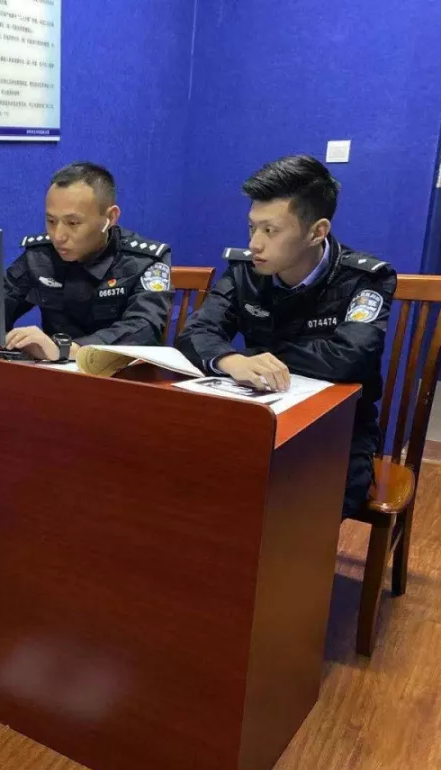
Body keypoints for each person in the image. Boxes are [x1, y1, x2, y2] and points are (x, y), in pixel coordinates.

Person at [177, 155, 397, 518]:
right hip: (258, 416)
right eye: (252, 228)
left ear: (317, 232)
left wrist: (258, 356)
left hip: (337, 430)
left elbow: (351, 356)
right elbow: (195, 332)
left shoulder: (364, 278)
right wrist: (232, 359)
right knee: (193, 478)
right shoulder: (245, 271)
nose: (255, 243)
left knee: (304, 508)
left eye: (271, 231)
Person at [2, 161, 174, 361]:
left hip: (119, 374)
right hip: (54, 372)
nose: (58, 236)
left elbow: (143, 329)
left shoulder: (143, 261)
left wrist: (68, 350)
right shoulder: (40, 255)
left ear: (110, 218)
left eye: (73, 223)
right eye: (51, 221)